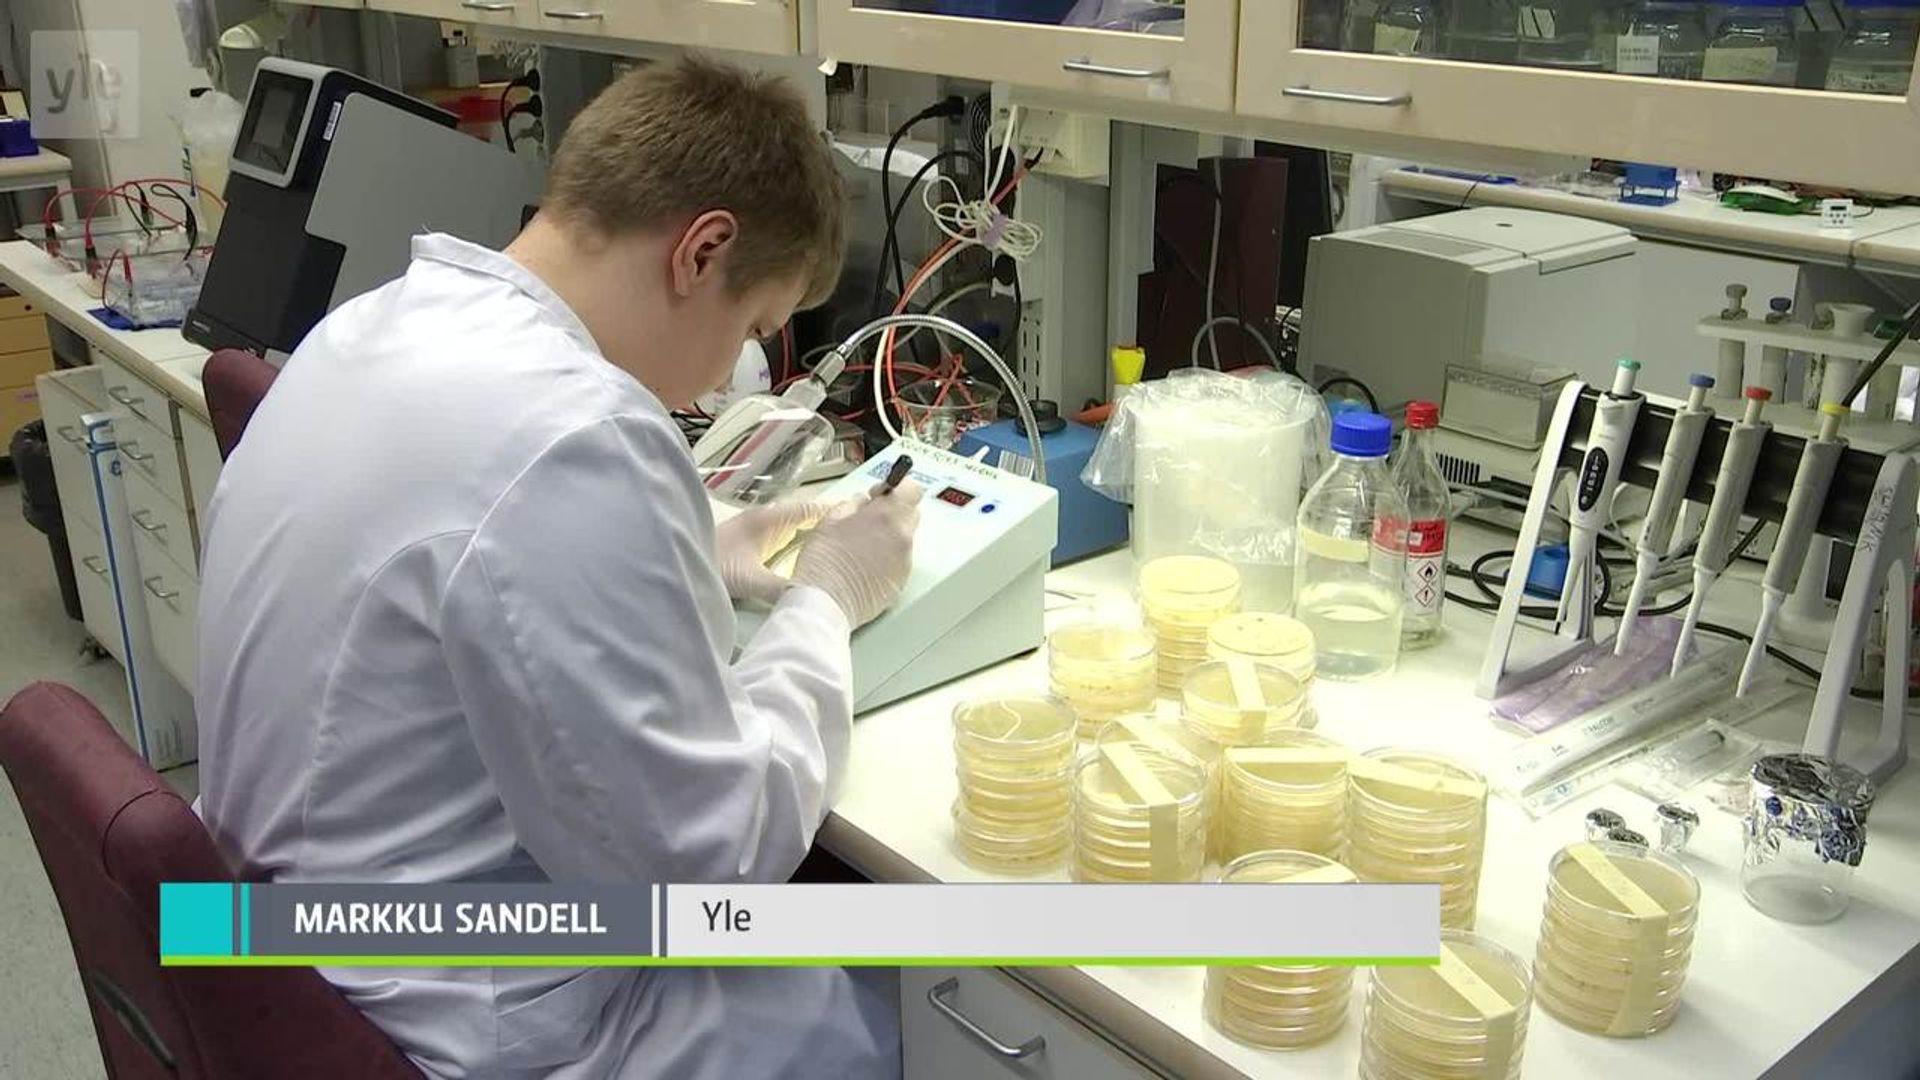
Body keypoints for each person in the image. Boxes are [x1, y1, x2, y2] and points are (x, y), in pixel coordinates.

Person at [193, 56, 918, 1079]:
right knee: (923, 1010)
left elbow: (467, 563)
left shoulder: (369, 326)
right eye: (754, 329)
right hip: (453, 1017)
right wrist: (824, 602)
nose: (727, 377)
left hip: (288, 952)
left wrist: (684, 555)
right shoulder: (575, 432)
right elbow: (716, 860)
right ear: (703, 251)